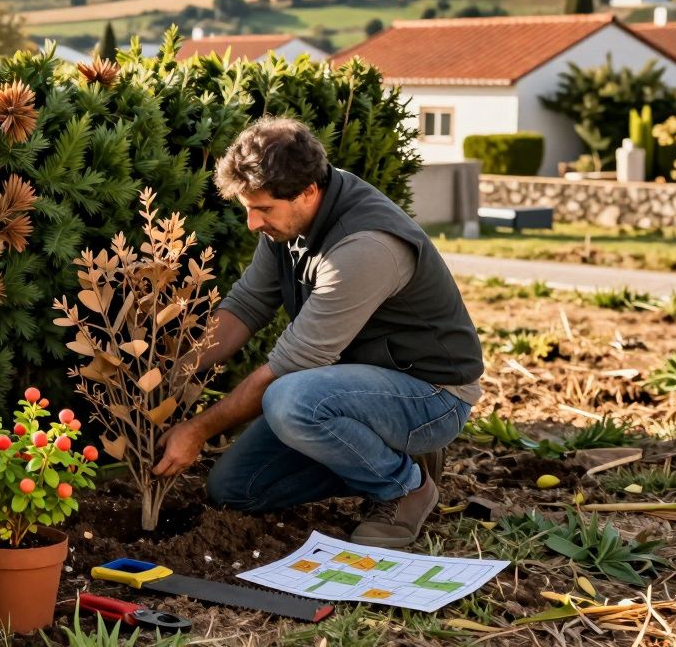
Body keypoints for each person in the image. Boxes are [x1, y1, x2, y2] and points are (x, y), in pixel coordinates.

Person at [152, 117, 483, 548]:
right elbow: (247, 305)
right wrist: (172, 373)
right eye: (248, 208)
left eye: (263, 209)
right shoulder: (290, 220)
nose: (252, 223)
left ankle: (403, 488)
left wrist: (197, 431)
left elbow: (291, 365)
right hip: (352, 388)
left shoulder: (366, 246)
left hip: (431, 395)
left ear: (308, 191)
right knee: (234, 489)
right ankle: (384, 453)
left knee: (289, 400)